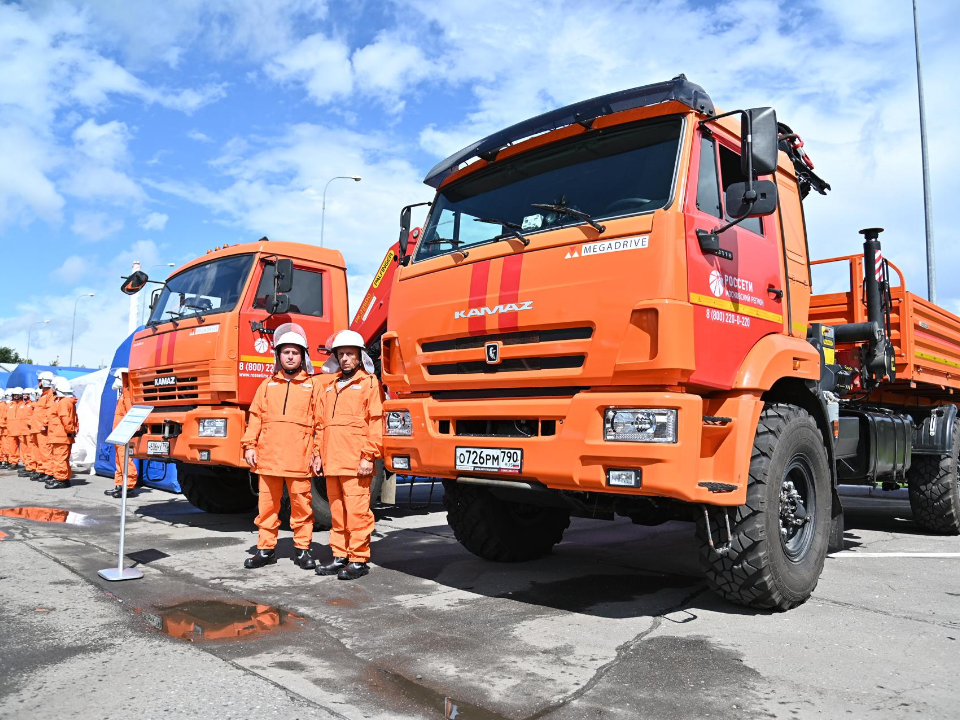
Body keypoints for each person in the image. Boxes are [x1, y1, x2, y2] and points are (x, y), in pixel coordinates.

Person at [240, 322, 323, 570]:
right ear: (278, 356)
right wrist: (249, 446)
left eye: (295, 352)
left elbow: (321, 423)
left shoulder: (314, 386)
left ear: (302, 356)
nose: (290, 356)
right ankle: (265, 550)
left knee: (302, 508)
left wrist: (317, 453)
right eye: (285, 352)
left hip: (300, 458)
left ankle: (302, 550)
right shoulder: (266, 385)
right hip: (269, 458)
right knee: (267, 507)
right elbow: (255, 417)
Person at [314, 330, 384, 581]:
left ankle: (358, 559)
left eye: (350, 354)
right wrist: (317, 454)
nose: (345, 359)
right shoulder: (330, 387)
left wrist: (369, 456)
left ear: (359, 356)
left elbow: (376, 422)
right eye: (341, 354)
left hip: (356, 462)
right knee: (337, 512)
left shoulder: (370, 383)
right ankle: (340, 555)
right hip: (332, 461)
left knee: (357, 512)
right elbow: (321, 424)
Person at [107, 368, 139, 498]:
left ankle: (128, 486)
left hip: (124, 434)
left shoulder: (128, 395)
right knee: (119, 460)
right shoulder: (122, 395)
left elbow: (132, 415)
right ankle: (120, 485)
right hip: (119, 434)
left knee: (125, 460)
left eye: (117, 378)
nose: (115, 381)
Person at [44, 377, 78, 490]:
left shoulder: (64, 402)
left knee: (60, 458)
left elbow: (65, 419)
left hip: (60, 435)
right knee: (60, 458)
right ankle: (62, 477)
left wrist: (70, 431)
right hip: (59, 435)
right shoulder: (64, 401)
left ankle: (61, 479)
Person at [35, 371, 57, 483]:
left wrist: (45, 424)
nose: (38, 383)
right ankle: (43, 470)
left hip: (44, 428)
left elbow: (49, 410)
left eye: (39, 381)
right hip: (39, 427)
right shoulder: (43, 395)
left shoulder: (49, 395)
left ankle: (48, 471)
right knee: (41, 451)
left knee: (46, 451)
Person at [0, 388, 9, 469]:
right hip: (2, 428)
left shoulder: (3, 405)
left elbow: (4, 417)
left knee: (5, 445)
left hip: (4, 428)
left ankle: (5, 459)